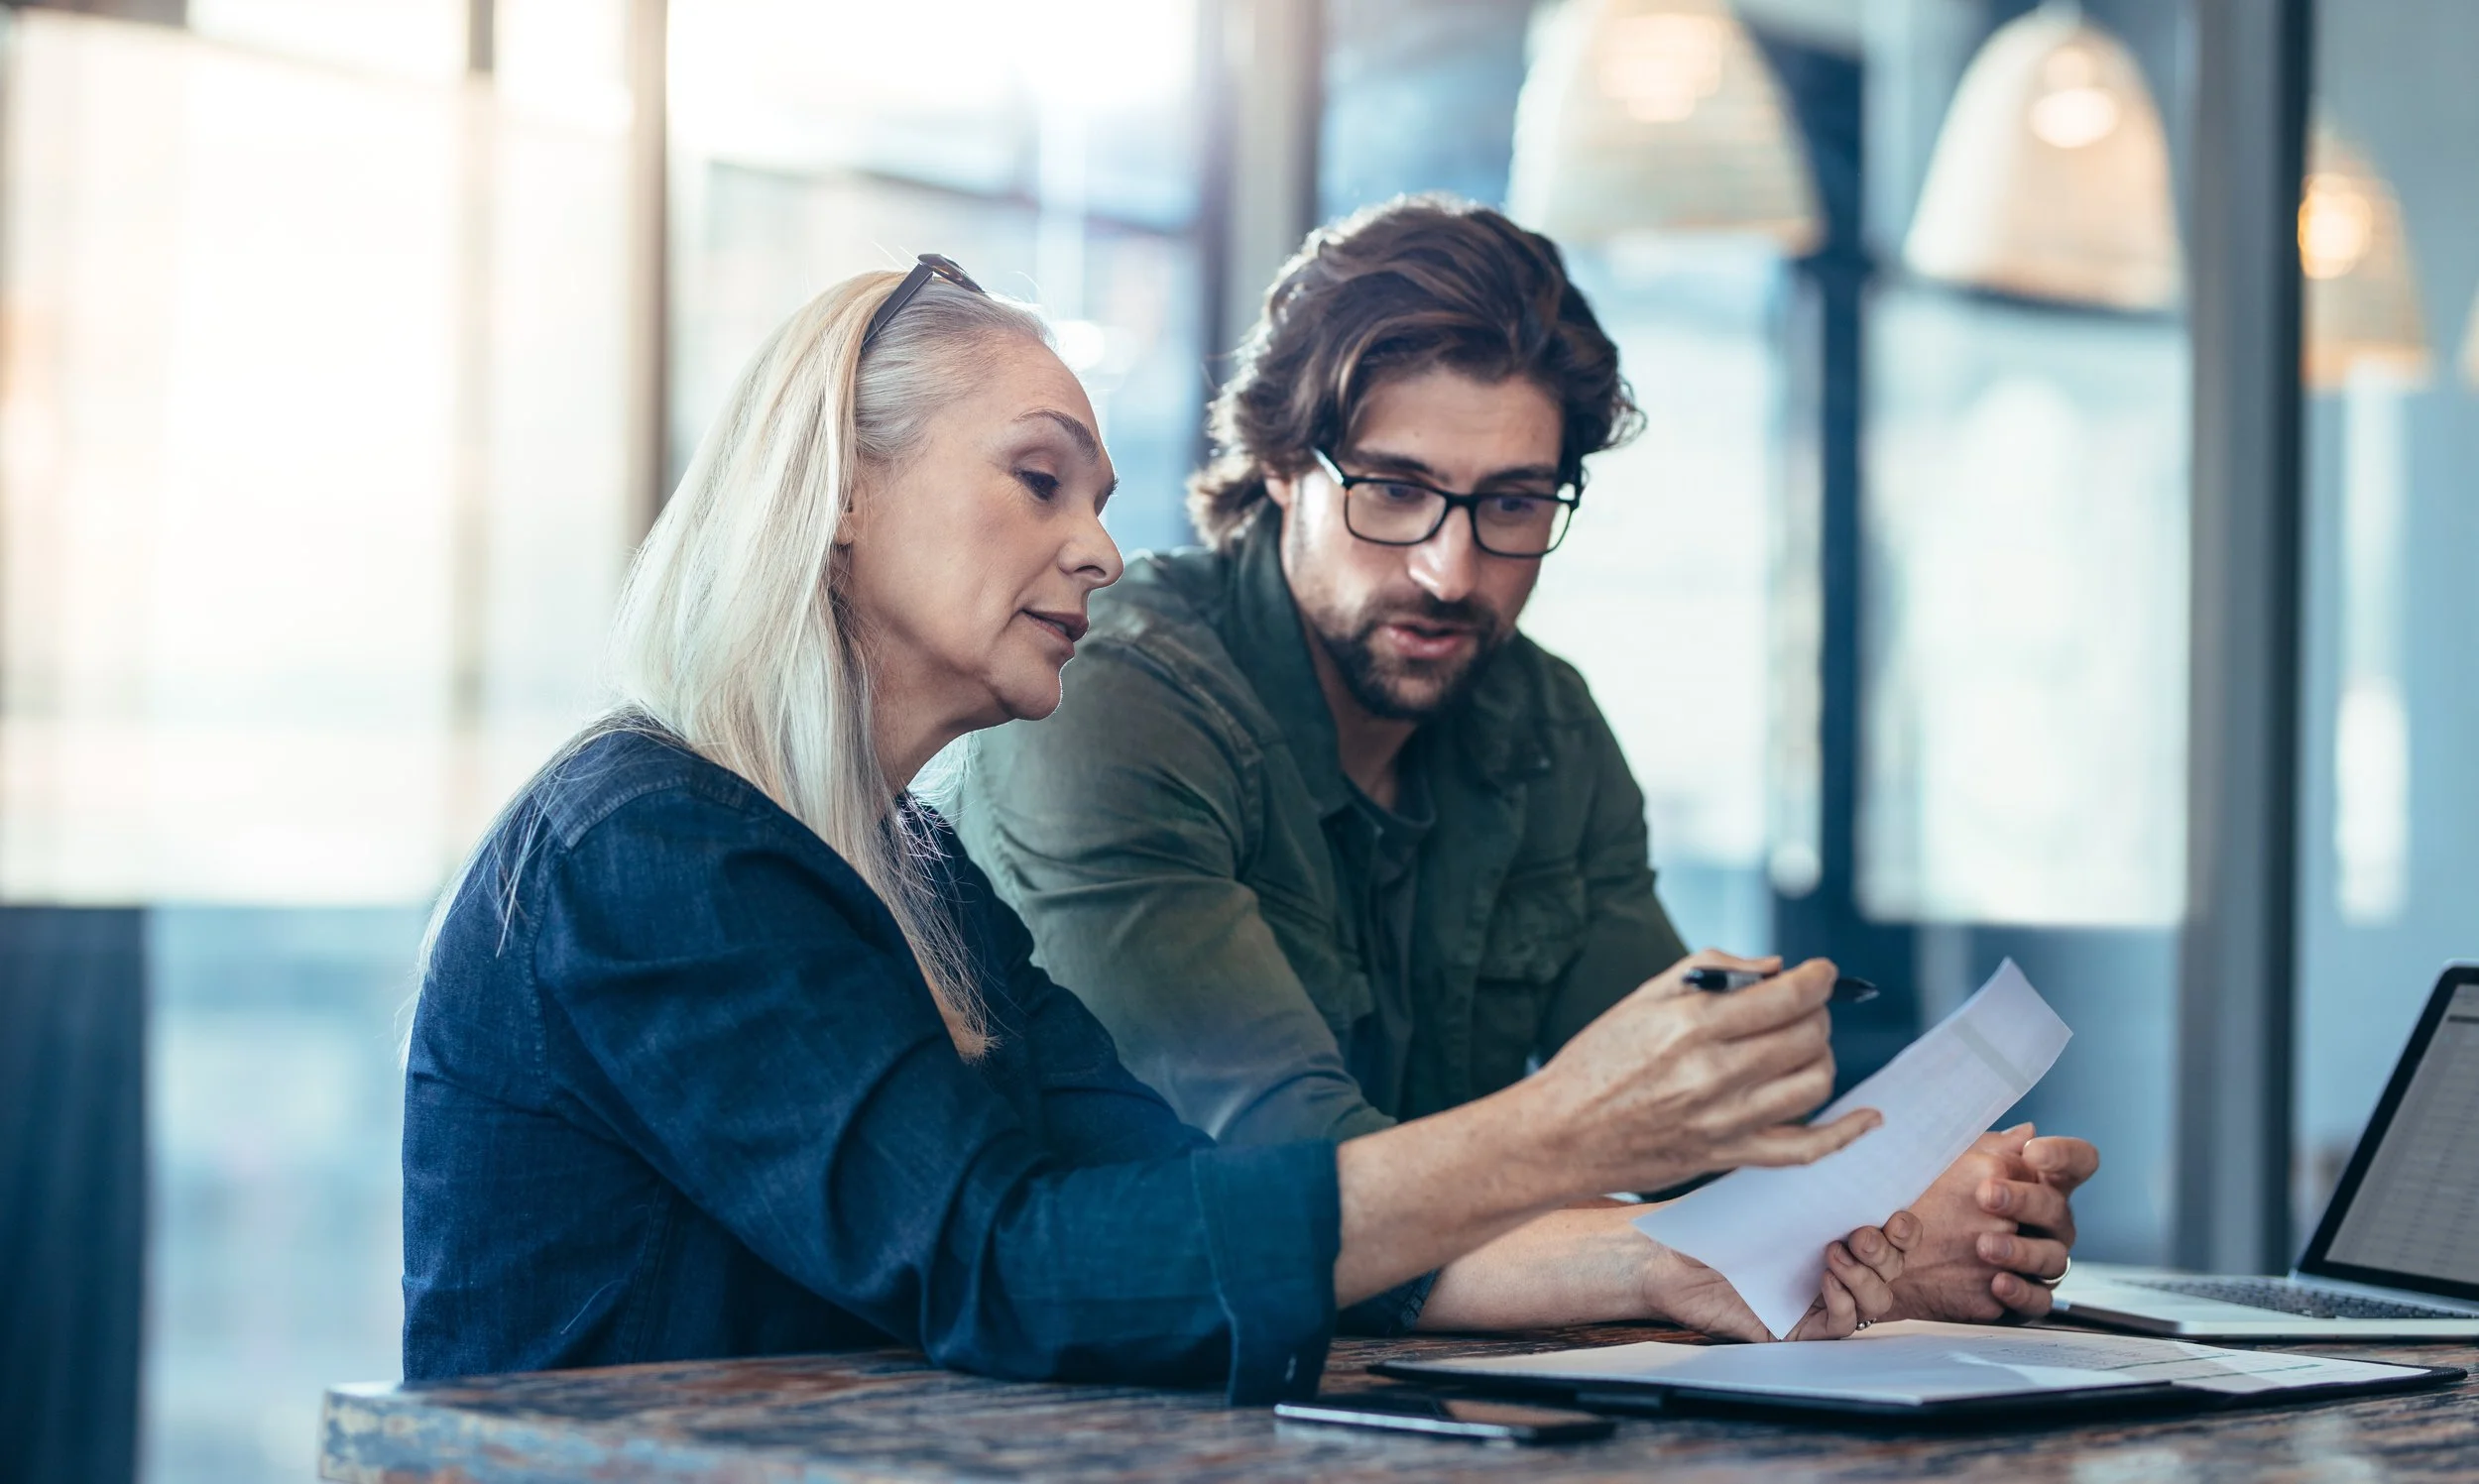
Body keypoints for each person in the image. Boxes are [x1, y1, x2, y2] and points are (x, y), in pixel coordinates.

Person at [400, 257, 1919, 1404]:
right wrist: (1564, 1134)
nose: (1100, 548)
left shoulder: (911, 871)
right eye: (1038, 479)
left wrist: (1673, 1258)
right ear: (841, 493)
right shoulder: (649, 850)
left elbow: (1174, 1203)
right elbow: (1008, 1266)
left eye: (1102, 496)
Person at [955, 197, 2098, 1324]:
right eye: (1395, 491)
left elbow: (1700, 1135)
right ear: (1280, 466)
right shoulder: (1111, 698)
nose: (1453, 571)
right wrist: (1693, 1249)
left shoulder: (1542, 724)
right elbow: (1287, 1188)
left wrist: (1904, 1214)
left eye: (1510, 502)